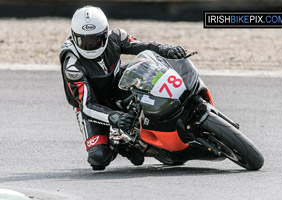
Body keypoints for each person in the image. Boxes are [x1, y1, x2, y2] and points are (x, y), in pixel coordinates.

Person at [59, 5, 187, 170]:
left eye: (95, 39)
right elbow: (86, 106)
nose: (90, 45)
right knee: (98, 158)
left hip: (117, 84)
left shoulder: (117, 36)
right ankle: (119, 142)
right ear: (74, 37)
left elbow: (143, 45)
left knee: (148, 67)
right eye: (84, 40)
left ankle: (176, 107)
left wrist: (164, 48)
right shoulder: (72, 65)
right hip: (93, 105)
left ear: (105, 34)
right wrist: (115, 117)